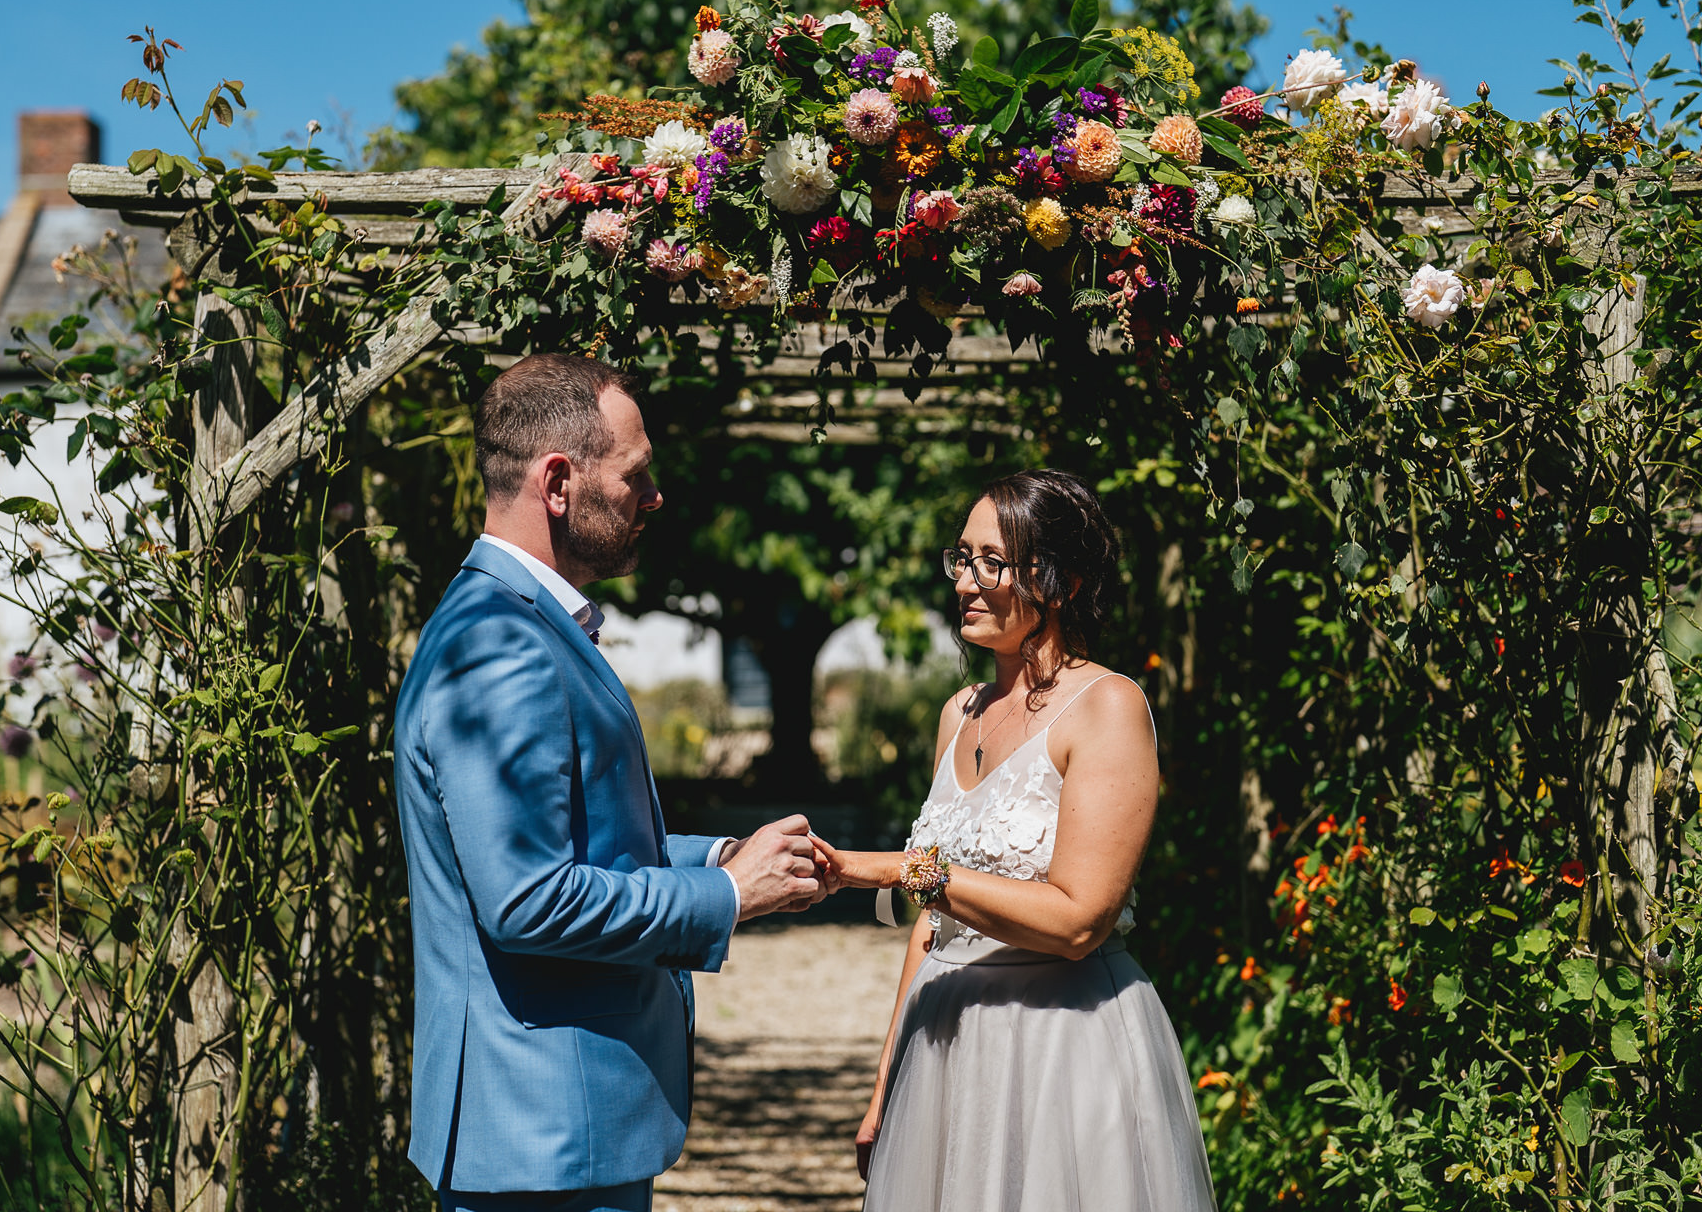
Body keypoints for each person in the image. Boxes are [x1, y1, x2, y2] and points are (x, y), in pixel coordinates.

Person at [392, 353, 825, 1212]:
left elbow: (585, 837)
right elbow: (528, 899)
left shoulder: (521, 624)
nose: (655, 496)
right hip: (542, 1135)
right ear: (558, 482)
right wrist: (726, 898)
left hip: (560, 1128)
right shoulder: (499, 646)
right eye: (636, 473)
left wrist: (727, 855)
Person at [813, 470, 1217, 1212]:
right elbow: (929, 934)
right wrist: (885, 1087)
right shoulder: (957, 713)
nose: (965, 582)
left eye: (989, 563)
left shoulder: (1109, 708)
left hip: (1062, 1046)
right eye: (959, 559)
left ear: (1056, 582)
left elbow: (1078, 920)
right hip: (946, 1052)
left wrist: (913, 870)